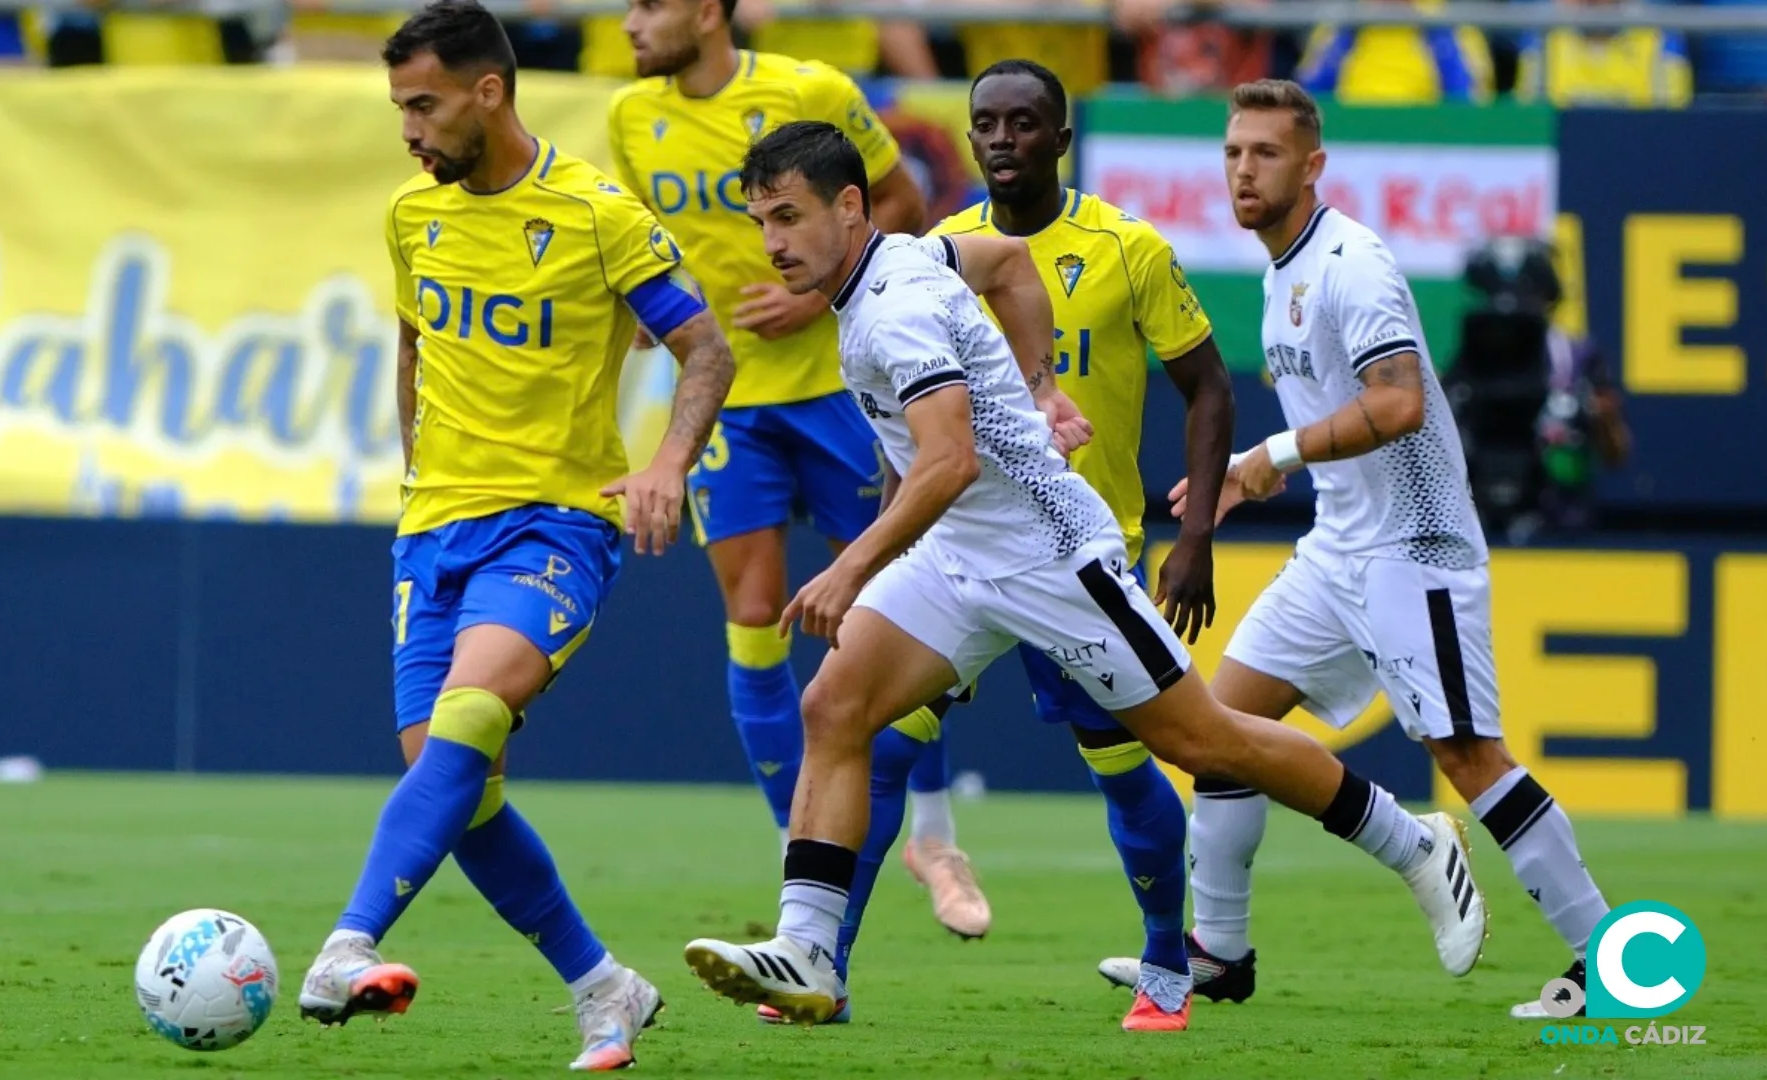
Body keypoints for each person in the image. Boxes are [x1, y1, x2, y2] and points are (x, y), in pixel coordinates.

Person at [682, 119, 1488, 1030]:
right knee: (834, 708)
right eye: (761, 223)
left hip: (1051, 555)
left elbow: (946, 464)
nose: (774, 243)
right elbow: (1013, 268)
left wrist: (853, 567)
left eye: (789, 216)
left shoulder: (895, 308)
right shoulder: (923, 254)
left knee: (1206, 743)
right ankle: (809, 952)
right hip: (960, 558)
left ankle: (1415, 842)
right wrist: (1038, 381)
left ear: (852, 205)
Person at [1102, 79, 1612, 1020]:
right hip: (1338, 547)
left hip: (1414, 545)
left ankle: (1612, 964)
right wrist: (1272, 471)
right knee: (1219, 733)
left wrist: (1272, 458)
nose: (1243, 170)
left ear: (1312, 165)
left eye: (1264, 153)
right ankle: (1220, 952)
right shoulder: (1277, 271)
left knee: (1467, 753)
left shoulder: (1352, 265)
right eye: (1232, 153)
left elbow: (1399, 405)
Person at [295, 3, 736, 1070]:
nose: (408, 128)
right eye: (399, 105)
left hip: (552, 525)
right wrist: (416, 482)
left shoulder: (594, 216)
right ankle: (605, 988)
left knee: (472, 714)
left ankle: (347, 944)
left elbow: (706, 348)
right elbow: (414, 346)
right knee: (458, 789)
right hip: (432, 533)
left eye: (423, 104)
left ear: (489, 93)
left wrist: (666, 464)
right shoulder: (411, 215)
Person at [758, 58, 1235, 1033]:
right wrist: (885, 557)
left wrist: (1196, 534)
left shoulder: (1125, 246)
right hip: (961, 557)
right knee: (871, 740)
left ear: (1061, 138)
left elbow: (1208, 389)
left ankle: (1166, 963)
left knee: (1130, 763)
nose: (1004, 138)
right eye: (987, 123)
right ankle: (820, 968)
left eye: (1026, 122)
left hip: (1072, 553)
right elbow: (919, 433)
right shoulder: (938, 248)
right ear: (970, 139)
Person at [607, 0, 993, 938]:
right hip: (730, 404)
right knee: (753, 621)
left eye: (648, 4)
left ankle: (935, 839)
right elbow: (639, 269)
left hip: (835, 389)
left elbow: (899, 205)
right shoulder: (629, 120)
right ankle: (803, 861)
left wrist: (815, 302)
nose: (627, 22)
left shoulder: (807, 90)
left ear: (705, 11)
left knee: (886, 607)